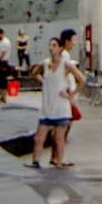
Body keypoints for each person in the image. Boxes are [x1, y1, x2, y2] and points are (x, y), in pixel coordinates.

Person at [31, 33, 82, 169]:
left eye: (54, 45)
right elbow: (34, 72)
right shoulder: (46, 63)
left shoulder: (66, 64)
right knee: (39, 138)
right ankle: (36, 161)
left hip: (60, 106)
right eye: (49, 45)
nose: (51, 48)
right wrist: (44, 82)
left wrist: (72, 94)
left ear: (60, 48)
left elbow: (81, 79)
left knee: (59, 138)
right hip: (47, 106)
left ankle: (59, 162)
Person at [0, 28, 14, 94]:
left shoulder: (5, 42)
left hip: (2, 63)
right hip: (1, 62)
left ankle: (3, 96)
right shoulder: (2, 42)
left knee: (2, 80)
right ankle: (1, 95)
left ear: (0, 34)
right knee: (0, 80)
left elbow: (2, 54)